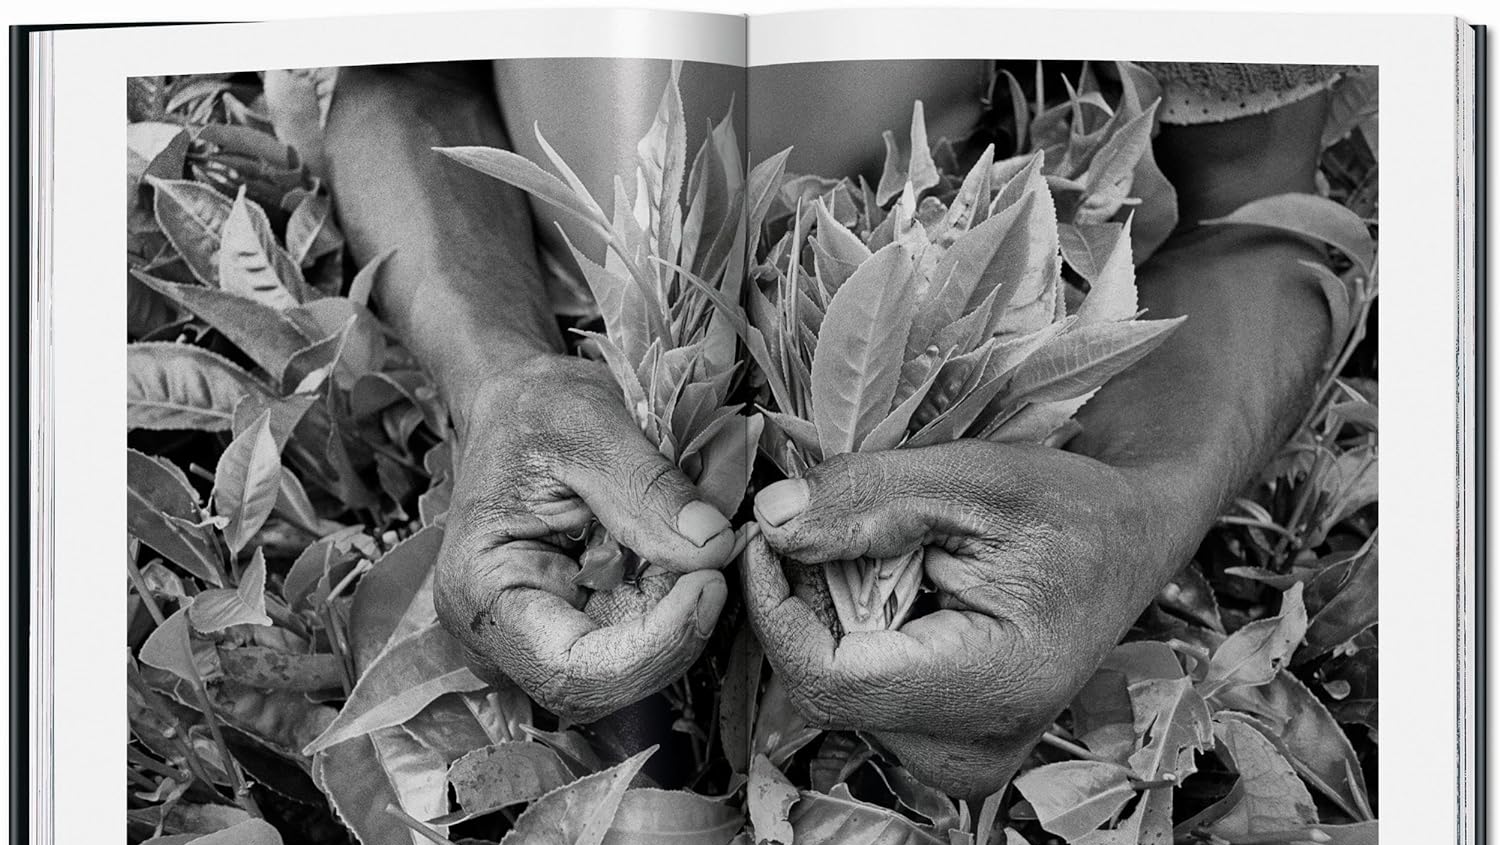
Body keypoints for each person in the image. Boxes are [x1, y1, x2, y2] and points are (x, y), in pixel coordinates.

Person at [319, 59, 1346, 798]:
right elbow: (395, 76)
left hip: (939, 365)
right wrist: (497, 373)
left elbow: (1253, 204)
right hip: (577, 330)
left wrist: (1141, 500)